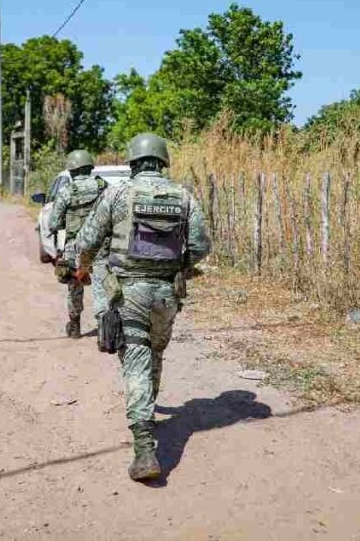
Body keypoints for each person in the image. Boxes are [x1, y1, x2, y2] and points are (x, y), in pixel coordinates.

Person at [76, 133, 211, 481]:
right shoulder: (184, 196)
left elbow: (88, 240)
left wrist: (85, 264)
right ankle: (148, 413)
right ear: (163, 161)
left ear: (133, 162)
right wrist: (178, 266)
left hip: (129, 292)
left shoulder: (117, 193)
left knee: (135, 360)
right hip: (166, 293)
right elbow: (200, 246)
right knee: (155, 354)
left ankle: (145, 449)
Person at [47, 150, 108, 338]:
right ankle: (105, 330)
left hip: (75, 246)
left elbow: (53, 223)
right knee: (102, 287)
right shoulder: (103, 186)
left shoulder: (67, 192)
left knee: (75, 285)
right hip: (101, 245)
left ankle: (74, 326)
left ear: (72, 170)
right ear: (90, 167)